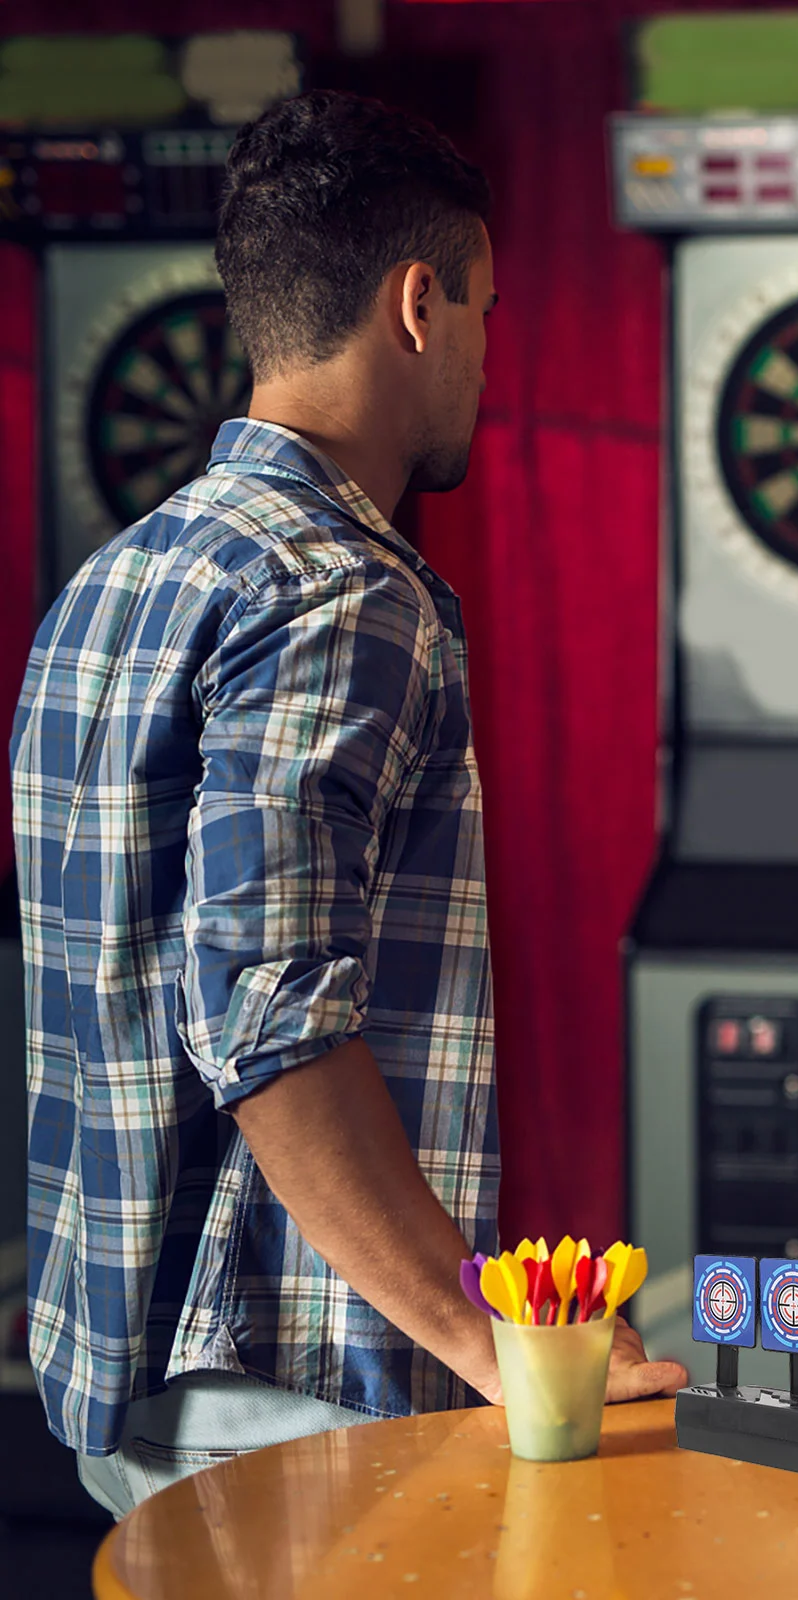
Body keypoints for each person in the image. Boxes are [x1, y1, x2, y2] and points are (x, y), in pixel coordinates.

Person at [10, 89, 687, 1522]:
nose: (494, 358)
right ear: (419, 305)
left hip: (122, 1382)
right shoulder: (336, 589)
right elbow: (268, 1013)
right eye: (490, 311)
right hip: (279, 1392)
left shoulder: (113, 582)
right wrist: (487, 1333)